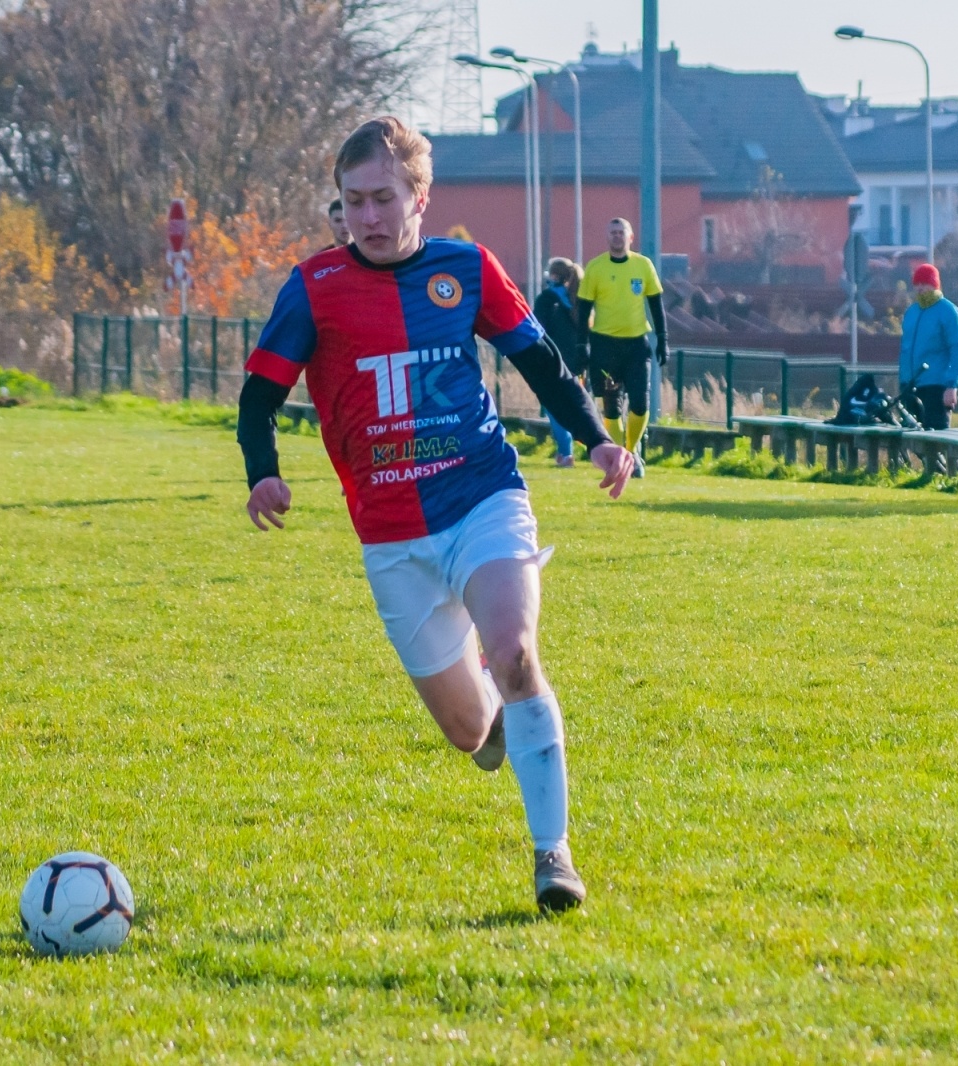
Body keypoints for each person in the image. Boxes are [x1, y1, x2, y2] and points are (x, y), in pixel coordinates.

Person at [236, 117, 635, 912]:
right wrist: (264, 474)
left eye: (384, 197)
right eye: (354, 202)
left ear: (420, 196)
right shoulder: (314, 287)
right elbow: (258, 396)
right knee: (467, 734)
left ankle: (553, 855)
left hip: (482, 496)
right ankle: (489, 710)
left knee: (518, 653)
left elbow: (540, 362)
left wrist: (594, 439)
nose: (369, 218)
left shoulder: (467, 268)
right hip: (392, 538)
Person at [577, 218, 668, 477]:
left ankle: (631, 449)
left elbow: (656, 305)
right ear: (608, 238)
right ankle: (623, 456)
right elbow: (583, 310)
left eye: (621, 233)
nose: (617, 237)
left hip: (636, 346)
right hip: (605, 346)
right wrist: (581, 345)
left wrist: (663, 338)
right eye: (613, 233)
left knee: (640, 402)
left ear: (630, 237)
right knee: (611, 405)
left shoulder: (643, 265)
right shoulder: (596, 268)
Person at [898, 263, 958, 431]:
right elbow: (905, 350)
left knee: (936, 443)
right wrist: (903, 382)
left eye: (924, 283)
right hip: (910, 386)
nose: (920, 288)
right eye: (917, 283)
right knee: (911, 442)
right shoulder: (911, 313)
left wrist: (952, 385)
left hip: (936, 387)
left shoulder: (948, 311)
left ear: (935, 284)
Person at [532, 258, 586, 467]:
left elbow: (537, 328)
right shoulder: (578, 298)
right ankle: (592, 444)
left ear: (554, 276)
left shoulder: (547, 298)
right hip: (576, 360)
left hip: (552, 360)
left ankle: (566, 452)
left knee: (554, 405)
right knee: (576, 403)